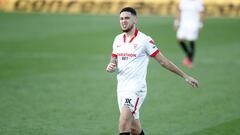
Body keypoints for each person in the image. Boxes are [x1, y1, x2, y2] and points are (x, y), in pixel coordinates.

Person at [106, 7, 199, 135]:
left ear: (135, 20)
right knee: (134, 128)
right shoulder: (117, 39)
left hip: (136, 88)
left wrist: (185, 76)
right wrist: (111, 65)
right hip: (121, 88)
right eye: (121, 18)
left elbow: (163, 61)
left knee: (123, 124)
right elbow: (114, 59)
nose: (123, 21)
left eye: (127, 18)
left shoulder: (144, 40)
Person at [174, 0, 204, 68]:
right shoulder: (183, 1)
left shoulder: (199, 2)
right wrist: (176, 22)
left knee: (191, 41)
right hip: (183, 24)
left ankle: (190, 61)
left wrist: (200, 24)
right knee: (180, 39)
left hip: (194, 24)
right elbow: (179, 11)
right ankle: (188, 56)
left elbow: (201, 13)